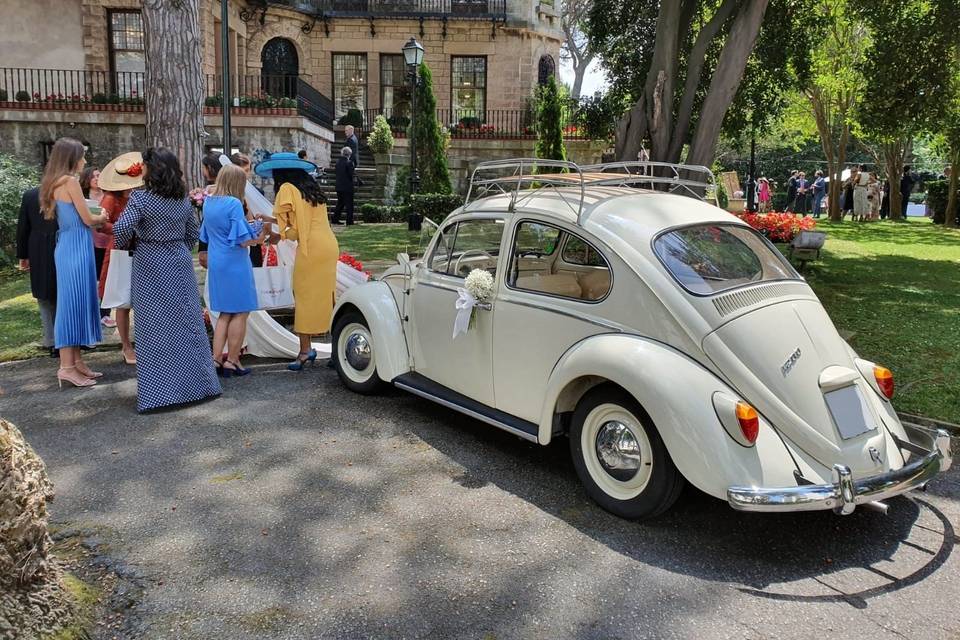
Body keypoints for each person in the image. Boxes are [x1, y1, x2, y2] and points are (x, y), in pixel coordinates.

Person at [114, 147, 221, 412]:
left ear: (153, 169)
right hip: (179, 260)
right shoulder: (182, 200)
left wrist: (133, 241)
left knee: (154, 328)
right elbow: (192, 234)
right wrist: (176, 246)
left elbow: (121, 229)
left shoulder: (140, 199)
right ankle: (200, 385)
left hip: (150, 261)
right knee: (187, 323)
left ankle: (159, 394)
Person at [255, 152, 338, 371]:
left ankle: (305, 350)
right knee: (327, 296)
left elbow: (294, 231)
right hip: (328, 245)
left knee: (303, 295)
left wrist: (276, 234)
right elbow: (301, 221)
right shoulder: (310, 189)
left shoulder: (286, 190)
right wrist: (274, 223)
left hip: (311, 248)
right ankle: (337, 350)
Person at [40, 138, 108, 388]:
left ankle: (76, 362)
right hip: (76, 247)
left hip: (70, 245)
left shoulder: (54, 181)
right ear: (71, 158)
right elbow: (88, 219)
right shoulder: (69, 181)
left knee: (76, 303)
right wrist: (102, 216)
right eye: (82, 156)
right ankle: (66, 367)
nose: (85, 161)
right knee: (71, 305)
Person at [200, 164, 266, 377]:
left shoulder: (209, 202)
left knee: (224, 313)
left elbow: (206, 234)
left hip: (217, 260)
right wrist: (258, 230)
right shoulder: (233, 203)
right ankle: (233, 359)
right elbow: (243, 240)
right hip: (234, 261)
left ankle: (217, 358)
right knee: (241, 311)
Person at [97, 151, 145, 365]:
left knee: (141, 300)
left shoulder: (139, 196)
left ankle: (142, 343)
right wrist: (122, 229)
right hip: (119, 251)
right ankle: (126, 345)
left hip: (141, 250)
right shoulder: (110, 199)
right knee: (122, 302)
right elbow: (100, 224)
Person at [16, 186, 58, 358]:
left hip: (38, 246)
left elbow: (23, 227)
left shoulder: (30, 194)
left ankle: (51, 340)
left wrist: (23, 255)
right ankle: (60, 339)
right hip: (59, 242)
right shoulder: (65, 191)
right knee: (54, 293)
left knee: (44, 294)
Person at [80, 166, 115, 327]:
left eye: (99, 175)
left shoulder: (108, 196)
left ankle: (105, 314)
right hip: (89, 241)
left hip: (107, 241)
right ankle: (91, 313)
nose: (96, 178)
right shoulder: (81, 196)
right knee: (92, 279)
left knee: (106, 278)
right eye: (93, 176)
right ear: (87, 179)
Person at [195, 152, 223, 269]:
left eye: (204, 167)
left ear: (210, 168)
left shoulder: (211, 190)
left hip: (213, 236)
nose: (203, 171)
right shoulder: (209, 189)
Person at [332, 146, 356, 226]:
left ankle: (335, 219)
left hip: (339, 186)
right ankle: (349, 221)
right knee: (349, 205)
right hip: (347, 187)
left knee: (340, 203)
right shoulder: (349, 163)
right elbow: (351, 175)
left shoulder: (338, 163)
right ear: (349, 154)